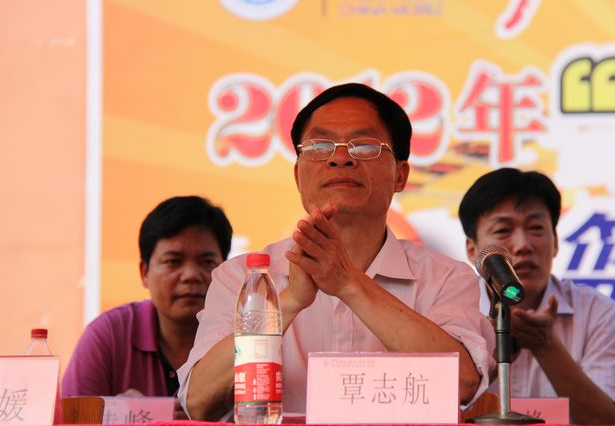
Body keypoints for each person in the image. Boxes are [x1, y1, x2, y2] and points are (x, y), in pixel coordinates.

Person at [178, 83, 495, 420]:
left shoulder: (445, 278)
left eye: (364, 146)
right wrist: (288, 302)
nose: (340, 157)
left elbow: (462, 383)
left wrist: (349, 283)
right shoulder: (244, 278)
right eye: (320, 146)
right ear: (298, 175)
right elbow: (199, 402)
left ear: (400, 176)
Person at [458, 168, 615, 424]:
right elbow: (432, 408)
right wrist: (493, 352)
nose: (523, 245)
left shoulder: (598, 313)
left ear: (556, 242)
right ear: (472, 249)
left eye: (536, 228)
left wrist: (546, 345)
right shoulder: (451, 307)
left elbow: (606, 421)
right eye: (503, 230)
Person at [62, 196, 233, 419]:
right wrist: (118, 416)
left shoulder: (247, 339)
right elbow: (71, 419)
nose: (191, 275)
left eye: (207, 262)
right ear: (144, 272)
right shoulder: (108, 335)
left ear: (227, 272)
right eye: (173, 261)